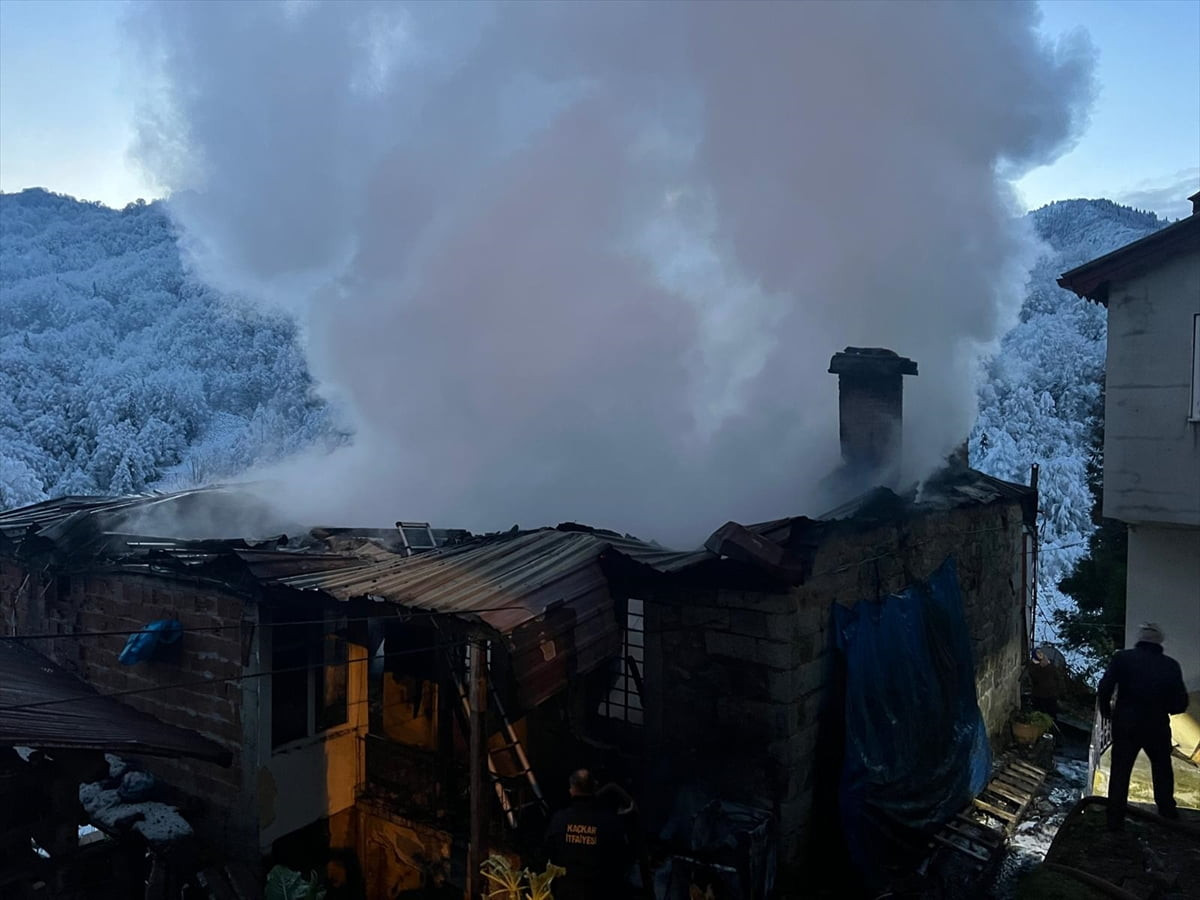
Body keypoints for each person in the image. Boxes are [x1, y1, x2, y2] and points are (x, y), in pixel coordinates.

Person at [1096, 622, 1190, 831]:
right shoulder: (1171, 665)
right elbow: (1180, 703)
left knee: (1120, 772)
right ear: (1159, 643)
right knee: (1162, 769)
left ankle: (1114, 819)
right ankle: (1167, 813)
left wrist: (1107, 713)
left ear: (1139, 641)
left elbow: (1104, 688)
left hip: (1126, 725)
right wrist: (1165, 708)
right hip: (1156, 726)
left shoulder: (1123, 659)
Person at [543, 769, 631, 899]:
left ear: (572, 790)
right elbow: (622, 857)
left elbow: (547, 852)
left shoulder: (559, 819)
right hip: (600, 892)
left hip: (565, 893)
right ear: (595, 787)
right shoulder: (610, 821)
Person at [1027, 647, 1065, 724]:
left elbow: (1057, 677)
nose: (1040, 654)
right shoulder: (1033, 667)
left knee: (1051, 715)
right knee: (1038, 715)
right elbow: (1035, 678)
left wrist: (1058, 691)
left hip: (1051, 695)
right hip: (1039, 696)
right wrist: (1041, 667)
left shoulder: (1050, 665)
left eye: (1040, 652)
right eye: (1038, 653)